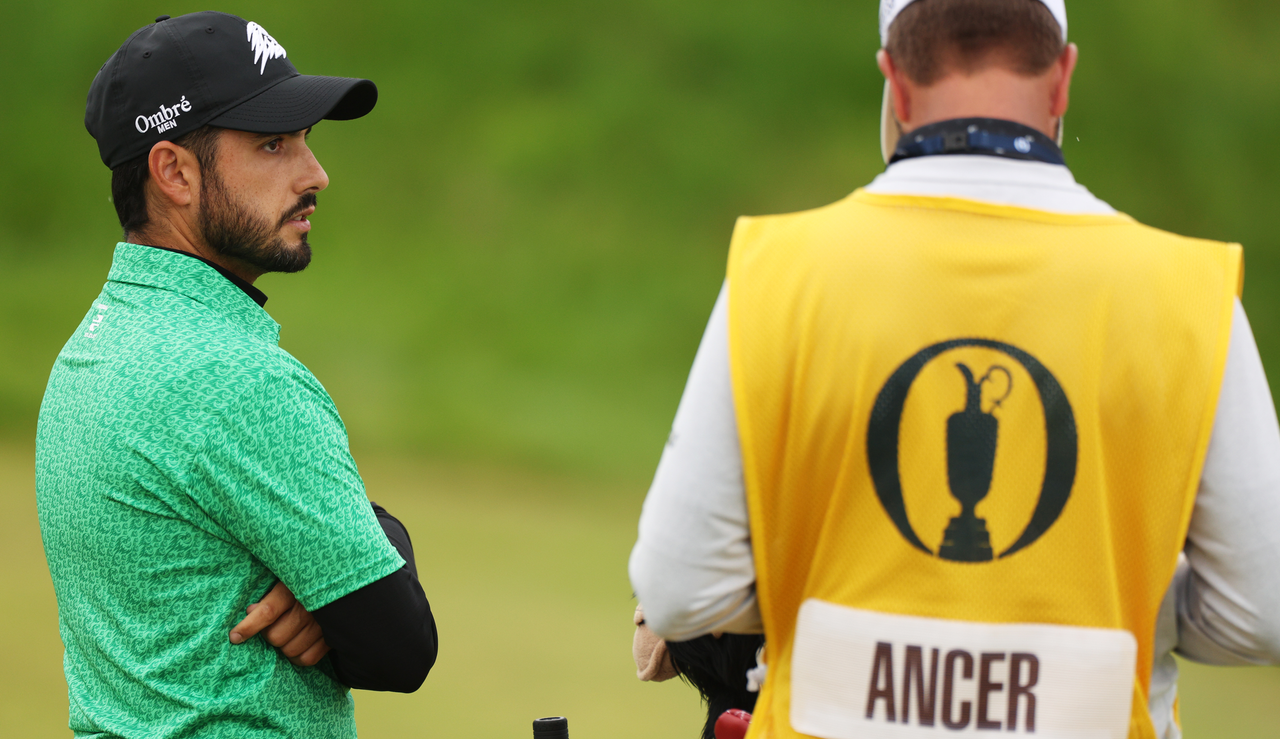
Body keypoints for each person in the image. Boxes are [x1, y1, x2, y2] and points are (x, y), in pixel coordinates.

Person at [629, 1, 1280, 737]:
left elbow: (679, 591)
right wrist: (1095, 597)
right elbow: (1261, 608)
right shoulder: (1188, 293)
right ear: (1062, 80)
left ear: (895, 86)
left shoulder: (779, 273)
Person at [36, 12, 436, 738]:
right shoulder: (236, 379)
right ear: (175, 173)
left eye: (306, 140)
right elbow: (400, 646)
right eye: (273, 144)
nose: (315, 173)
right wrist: (375, 539)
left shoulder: (91, 346)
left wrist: (334, 560)